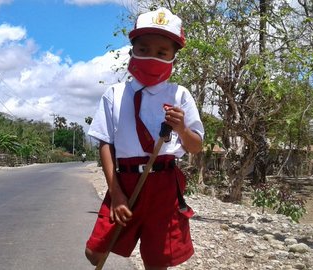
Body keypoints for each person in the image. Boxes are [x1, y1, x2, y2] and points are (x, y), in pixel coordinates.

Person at [84, 7, 205, 270]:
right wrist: (116, 193)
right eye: (144, 49)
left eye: (162, 53)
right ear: (132, 52)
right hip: (125, 182)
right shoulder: (115, 94)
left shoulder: (179, 95)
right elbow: (106, 143)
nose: (152, 57)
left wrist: (182, 129)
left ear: (173, 57)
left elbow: (196, 146)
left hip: (164, 185)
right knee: (95, 250)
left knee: (157, 260)